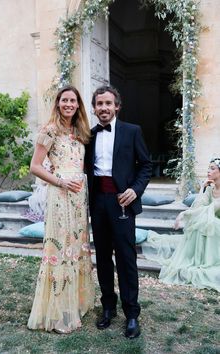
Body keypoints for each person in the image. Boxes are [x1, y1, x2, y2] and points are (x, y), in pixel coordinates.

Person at [85, 85, 152, 339]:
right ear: (94, 108)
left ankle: (132, 313)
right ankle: (108, 307)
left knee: (126, 259)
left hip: (123, 202)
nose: (103, 108)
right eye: (99, 104)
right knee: (102, 257)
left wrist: (135, 190)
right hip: (98, 202)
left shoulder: (132, 131)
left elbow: (145, 165)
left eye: (108, 103)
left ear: (117, 107)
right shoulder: (89, 135)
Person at [27, 85, 95, 334]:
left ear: (78, 105)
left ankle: (73, 304)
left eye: (73, 100)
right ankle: (56, 309)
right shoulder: (49, 130)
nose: (68, 104)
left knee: (76, 247)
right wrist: (60, 181)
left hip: (79, 198)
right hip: (60, 194)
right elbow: (35, 166)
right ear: (58, 103)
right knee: (60, 246)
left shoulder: (79, 131)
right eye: (64, 100)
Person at [143, 157, 220, 292]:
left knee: (208, 222)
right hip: (209, 225)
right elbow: (198, 206)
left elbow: (211, 209)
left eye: (212, 168)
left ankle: (205, 261)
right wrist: (202, 188)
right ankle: (197, 259)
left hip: (215, 225)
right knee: (204, 222)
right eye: (208, 168)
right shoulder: (210, 189)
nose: (208, 171)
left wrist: (184, 214)